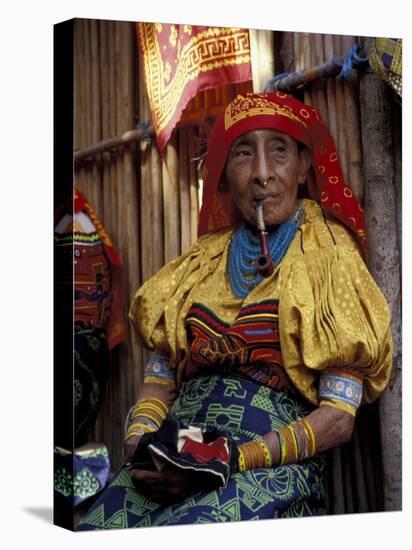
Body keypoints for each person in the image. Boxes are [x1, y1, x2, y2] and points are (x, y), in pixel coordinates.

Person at [76, 92, 392, 530]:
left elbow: (338, 419)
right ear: (224, 172)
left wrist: (231, 459)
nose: (262, 173)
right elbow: (159, 381)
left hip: (269, 467)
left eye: (278, 151)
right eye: (244, 153)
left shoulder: (328, 254)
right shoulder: (202, 260)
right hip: (179, 453)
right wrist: (141, 445)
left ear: (303, 167)